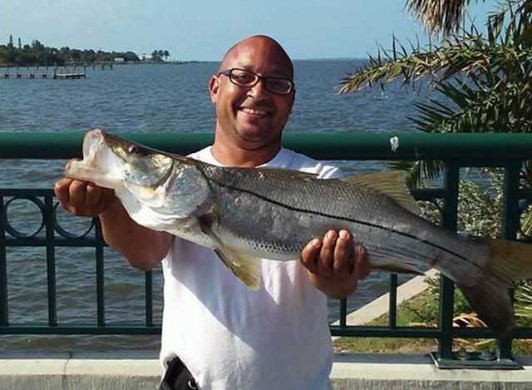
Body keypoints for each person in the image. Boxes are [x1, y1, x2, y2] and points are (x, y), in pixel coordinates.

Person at [55, 35, 370, 390]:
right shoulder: (183, 178)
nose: (258, 93)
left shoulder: (322, 181)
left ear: (291, 100)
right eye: (243, 77)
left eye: (276, 83)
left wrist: (332, 273)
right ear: (214, 88)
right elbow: (145, 253)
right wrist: (109, 204)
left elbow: (339, 286)